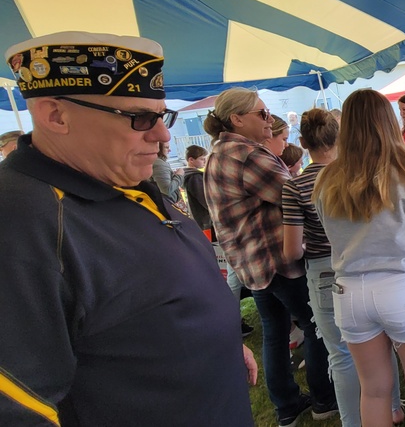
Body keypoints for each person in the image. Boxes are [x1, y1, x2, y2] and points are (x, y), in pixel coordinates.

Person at [0, 31, 256, 426]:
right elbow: (18, 407)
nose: (162, 135)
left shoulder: (119, 179)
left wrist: (221, 341)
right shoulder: (22, 221)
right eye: (140, 118)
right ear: (55, 114)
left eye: (162, 116)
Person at [314, 89, 405, 427]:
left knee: (373, 391)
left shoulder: (326, 179)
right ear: (389, 123)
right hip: (403, 289)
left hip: (350, 293)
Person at [203, 87, 336, 427]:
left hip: (251, 262)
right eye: (261, 113)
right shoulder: (247, 155)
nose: (268, 119)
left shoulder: (219, 152)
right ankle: (324, 399)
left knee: (275, 330)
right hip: (276, 261)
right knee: (315, 326)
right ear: (236, 118)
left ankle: (287, 405)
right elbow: (301, 195)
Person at [282, 107, 405, 427]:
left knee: (340, 354)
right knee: (383, 344)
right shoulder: (362, 175)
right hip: (370, 265)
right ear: (338, 136)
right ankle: (393, 407)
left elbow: (292, 250)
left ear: (303, 141)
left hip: (326, 273)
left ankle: (353, 422)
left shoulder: (295, 186)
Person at [183, 144, 213, 230]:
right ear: (191, 160)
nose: (204, 161)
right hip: (205, 220)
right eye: (202, 159)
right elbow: (204, 198)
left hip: (198, 218)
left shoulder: (187, 175)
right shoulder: (194, 177)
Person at [151, 140, 184, 207]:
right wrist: (179, 175)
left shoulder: (158, 162)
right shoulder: (159, 164)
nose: (169, 150)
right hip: (168, 204)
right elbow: (167, 190)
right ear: (158, 149)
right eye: (166, 147)